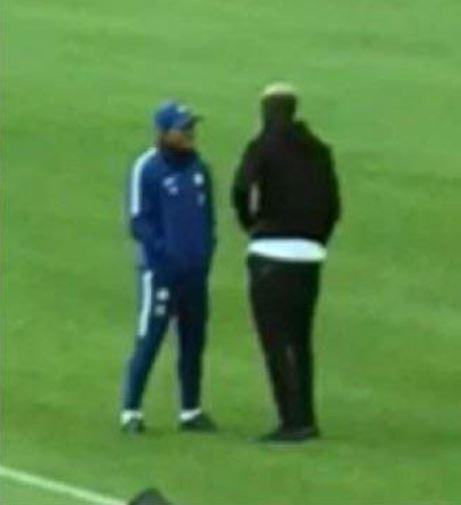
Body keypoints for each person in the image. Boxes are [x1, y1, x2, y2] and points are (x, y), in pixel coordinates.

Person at [232, 83, 341, 443]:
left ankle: (291, 421)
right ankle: (306, 416)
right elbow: (333, 206)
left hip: (271, 253)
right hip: (310, 256)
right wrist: (316, 238)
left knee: (275, 340)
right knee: (301, 338)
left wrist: (253, 227)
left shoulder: (262, 146)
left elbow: (241, 189)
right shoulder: (319, 151)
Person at [121, 101, 217, 434]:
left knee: (194, 340)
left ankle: (190, 409)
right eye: (183, 128)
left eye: (191, 126)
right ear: (164, 133)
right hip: (160, 272)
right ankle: (131, 410)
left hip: (194, 272)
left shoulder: (199, 169)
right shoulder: (147, 168)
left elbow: (208, 219)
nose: (190, 133)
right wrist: (164, 254)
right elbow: (138, 221)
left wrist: (205, 253)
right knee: (150, 338)